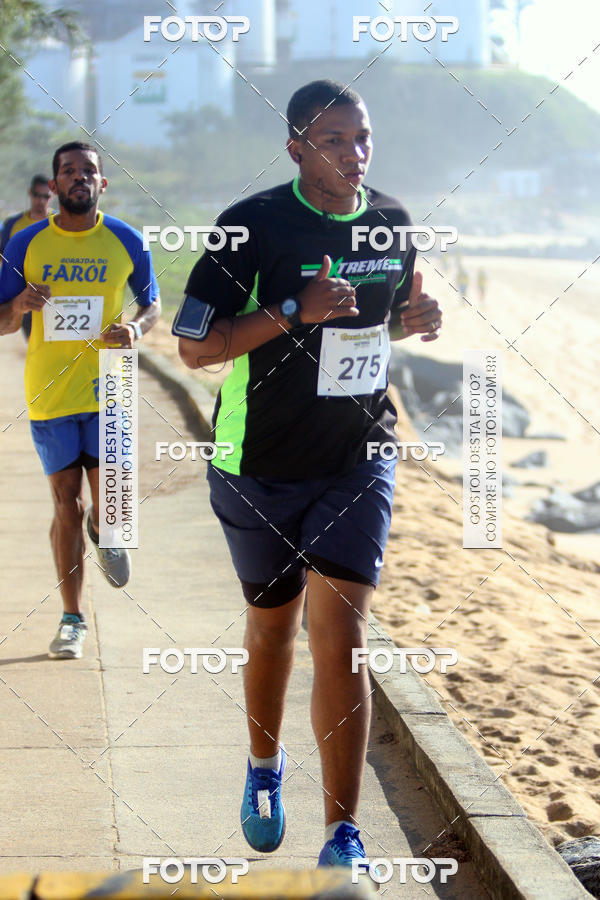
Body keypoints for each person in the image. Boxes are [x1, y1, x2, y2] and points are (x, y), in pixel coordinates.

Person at [177, 80, 442, 870]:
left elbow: (383, 320)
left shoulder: (392, 221)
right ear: (296, 148)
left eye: (363, 138)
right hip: (257, 462)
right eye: (334, 141)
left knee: (343, 636)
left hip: (358, 456)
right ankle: (264, 766)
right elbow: (195, 348)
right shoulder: (251, 227)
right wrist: (294, 310)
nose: (355, 154)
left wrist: (414, 322)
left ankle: (343, 836)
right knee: (272, 629)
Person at [0, 141, 161, 660]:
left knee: (112, 503)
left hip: (111, 382)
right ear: (54, 186)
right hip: (50, 389)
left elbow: (152, 303)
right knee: (65, 504)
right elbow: (1, 322)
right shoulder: (24, 244)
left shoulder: (126, 240)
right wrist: (18, 306)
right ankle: (72, 618)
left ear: (102, 183)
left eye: (88, 170)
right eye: (68, 171)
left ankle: (104, 528)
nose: (79, 177)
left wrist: (136, 328)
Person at [0, 174, 54, 339]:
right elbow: (3, 257)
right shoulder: (12, 224)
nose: (41, 201)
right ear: (30, 193)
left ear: (52, 196)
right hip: (24, 294)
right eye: (37, 195)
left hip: (54, 293)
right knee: (33, 340)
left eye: (46, 196)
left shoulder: (60, 223)